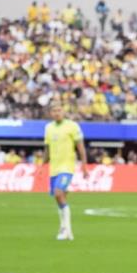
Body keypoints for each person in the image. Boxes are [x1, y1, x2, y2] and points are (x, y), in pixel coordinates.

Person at [42, 102, 88, 240]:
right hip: (53, 169)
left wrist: (84, 164)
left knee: (58, 192)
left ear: (64, 111)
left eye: (59, 110)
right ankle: (66, 229)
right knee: (59, 198)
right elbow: (47, 149)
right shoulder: (48, 128)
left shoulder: (72, 126)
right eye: (54, 111)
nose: (57, 113)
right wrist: (41, 166)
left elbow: (80, 146)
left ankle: (65, 230)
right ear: (51, 113)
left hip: (67, 167)